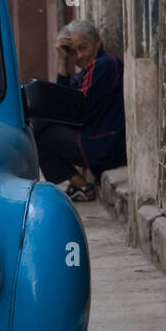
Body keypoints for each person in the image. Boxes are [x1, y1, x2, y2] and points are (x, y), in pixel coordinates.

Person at [33, 19, 126, 201]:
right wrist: (62, 60)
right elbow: (62, 98)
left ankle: (82, 186)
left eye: (84, 48)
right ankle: (80, 186)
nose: (80, 56)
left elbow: (72, 108)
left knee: (36, 129)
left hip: (105, 145)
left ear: (97, 42)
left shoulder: (104, 64)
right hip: (94, 140)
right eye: (73, 53)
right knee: (36, 126)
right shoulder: (84, 73)